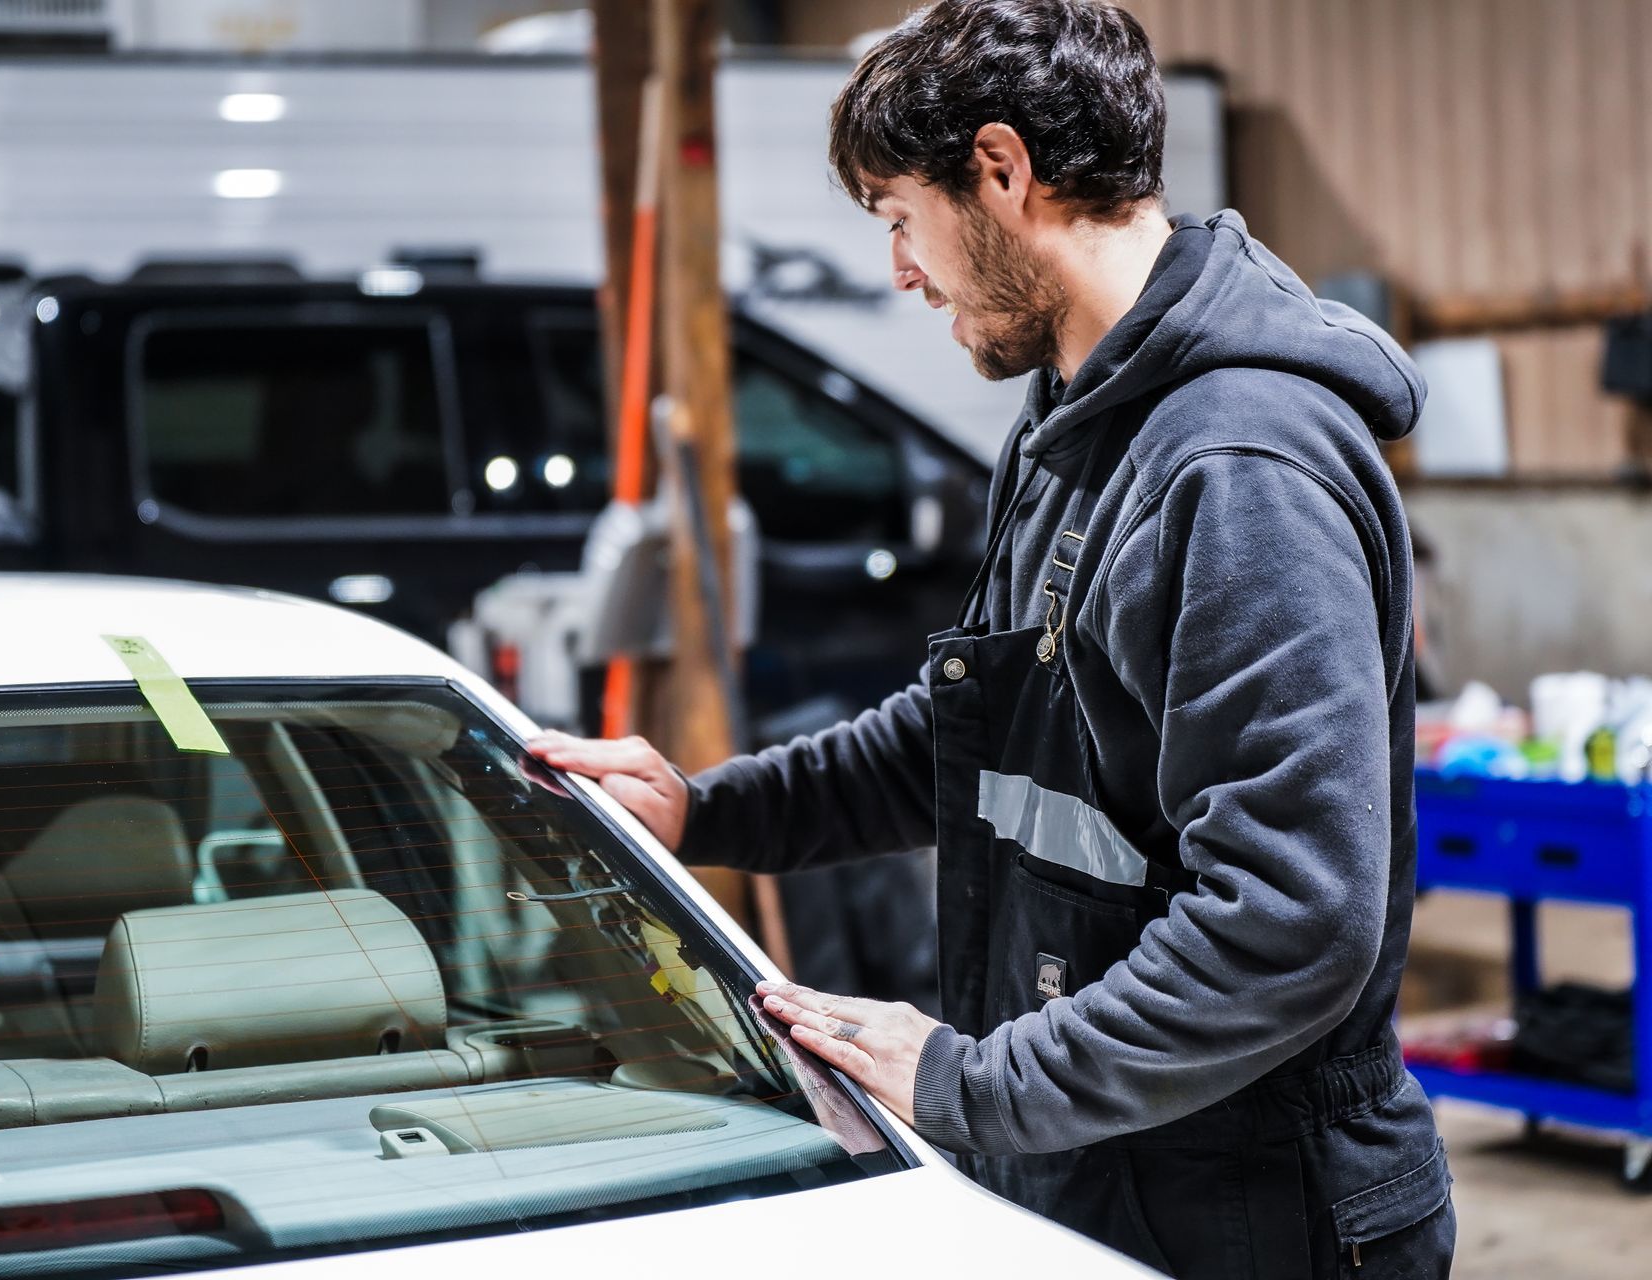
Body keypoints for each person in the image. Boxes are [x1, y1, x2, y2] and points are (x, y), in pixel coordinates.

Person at [530, 1, 1453, 1274]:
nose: (902, 269)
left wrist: (968, 1082)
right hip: (1103, 1153)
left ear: (1003, 171)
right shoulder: (1073, 418)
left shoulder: (1239, 464)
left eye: (901, 218)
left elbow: (1290, 914)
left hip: (1254, 1206)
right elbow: (983, 729)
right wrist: (708, 810)